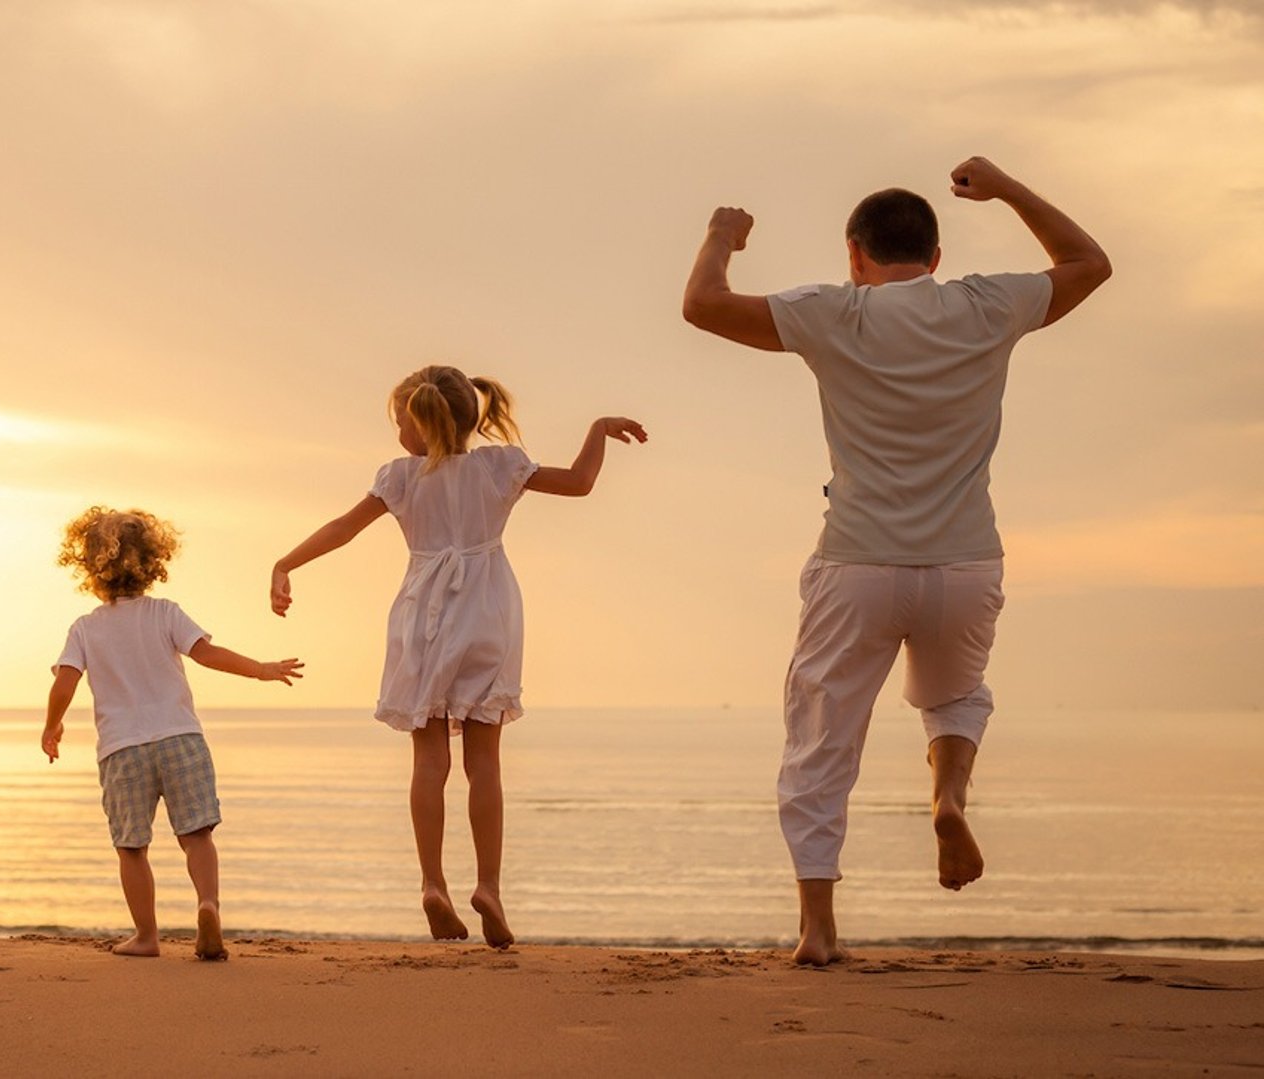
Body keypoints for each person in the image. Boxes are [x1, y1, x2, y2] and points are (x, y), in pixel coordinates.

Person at [680, 156, 1111, 965]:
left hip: (859, 564)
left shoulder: (834, 314)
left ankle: (818, 926)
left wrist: (721, 236)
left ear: (854, 254)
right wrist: (1010, 189)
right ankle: (946, 799)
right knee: (956, 696)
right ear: (937, 256)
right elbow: (1090, 264)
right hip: (964, 563)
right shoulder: (989, 304)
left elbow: (701, 304)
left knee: (822, 738)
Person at [271, 366, 647, 948]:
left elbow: (343, 528)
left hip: (422, 618)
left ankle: (432, 884)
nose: (396, 430)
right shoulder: (499, 466)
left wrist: (286, 565)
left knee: (428, 762)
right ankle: (490, 887)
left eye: (399, 419)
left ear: (418, 424)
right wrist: (597, 428)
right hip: (488, 613)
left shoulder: (399, 477)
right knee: (484, 762)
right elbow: (579, 483)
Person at [42, 507, 304, 960]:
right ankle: (207, 905)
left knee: (131, 847)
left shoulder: (85, 629)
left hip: (123, 750)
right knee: (197, 835)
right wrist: (261, 670)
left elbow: (65, 681)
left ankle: (146, 936)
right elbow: (207, 654)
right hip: (181, 738)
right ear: (152, 561)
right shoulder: (165, 613)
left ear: (90, 567)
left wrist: (52, 726)